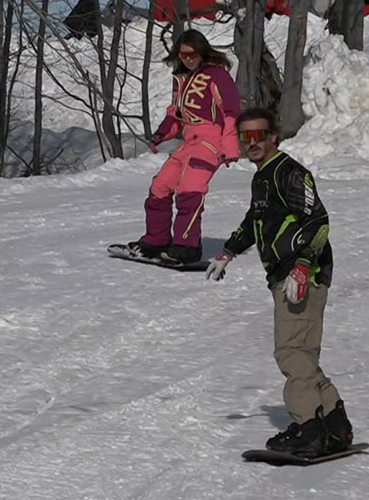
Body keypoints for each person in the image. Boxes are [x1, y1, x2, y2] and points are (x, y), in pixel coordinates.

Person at [204, 108, 353, 458]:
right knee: (302, 354)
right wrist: (228, 251)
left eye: (259, 135)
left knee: (289, 353)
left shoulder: (289, 172)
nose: (251, 143)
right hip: (289, 273)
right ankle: (334, 425)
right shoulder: (264, 177)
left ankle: (308, 429)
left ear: (274, 136)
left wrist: (302, 266)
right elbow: (255, 219)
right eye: (245, 136)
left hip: (301, 274)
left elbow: (318, 221)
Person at [123, 30, 241, 265]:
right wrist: (159, 135)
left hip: (211, 141)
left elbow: (231, 111)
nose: (187, 58)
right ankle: (156, 240)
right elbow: (176, 114)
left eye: (192, 53)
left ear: (202, 51)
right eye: (183, 53)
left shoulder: (217, 75)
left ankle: (187, 246)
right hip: (189, 141)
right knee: (160, 186)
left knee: (190, 189)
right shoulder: (182, 78)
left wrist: (230, 147)